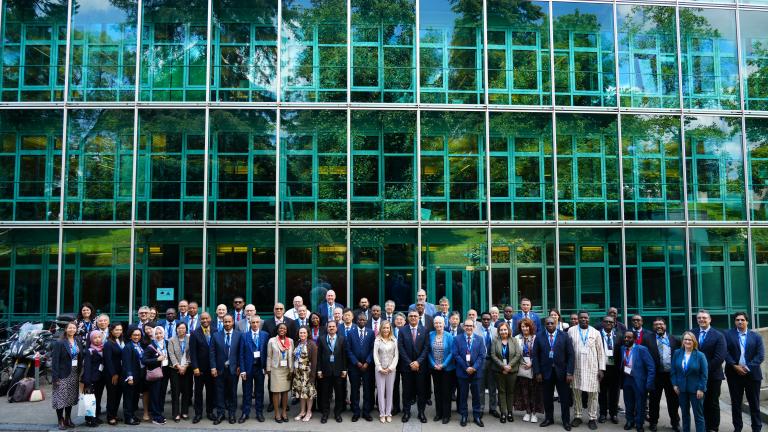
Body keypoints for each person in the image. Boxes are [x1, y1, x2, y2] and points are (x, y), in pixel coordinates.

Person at [724, 312, 765, 432]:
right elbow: (725, 352)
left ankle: (756, 428)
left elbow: (760, 355)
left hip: (752, 375)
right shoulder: (728, 335)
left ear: (747, 321)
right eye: (737, 320)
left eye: (742, 320)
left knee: (754, 403)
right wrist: (734, 366)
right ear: (735, 322)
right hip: (734, 374)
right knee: (736, 404)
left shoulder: (756, 336)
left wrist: (747, 367)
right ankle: (738, 427)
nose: (740, 322)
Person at [534, 317, 575, 430]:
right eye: (548, 323)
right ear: (545, 325)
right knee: (547, 397)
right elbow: (535, 356)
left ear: (556, 324)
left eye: (552, 323)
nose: (550, 325)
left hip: (562, 373)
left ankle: (566, 421)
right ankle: (549, 418)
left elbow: (571, 355)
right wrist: (537, 372)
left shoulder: (564, 336)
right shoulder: (539, 336)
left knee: (565, 398)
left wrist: (569, 372)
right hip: (545, 372)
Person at [690, 310, 726, 432]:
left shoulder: (718, 335)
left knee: (713, 402)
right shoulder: (691, 333)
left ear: (710, 319)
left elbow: (719, 357)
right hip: (695, 376)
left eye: (704, 318)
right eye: (699, 318)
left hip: (713, 375)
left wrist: (703, 370)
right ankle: (702, 426)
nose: (702, 320)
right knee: (699, 402)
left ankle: (713, 427)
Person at [567, 311, 604, 430]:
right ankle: (578, 416)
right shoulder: (571, 331)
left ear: (589, 318)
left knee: (593, 394)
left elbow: (601, 352)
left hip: (592, 368)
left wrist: (601, 369)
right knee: (576, 393)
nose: (584, 319)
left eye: (586, 318)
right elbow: (568, 350)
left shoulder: (595, 332)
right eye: (581, 318)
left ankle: (592, 418)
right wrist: (568, 369)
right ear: (577, 319)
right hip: (576, 368)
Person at [647, 318, 681, 432]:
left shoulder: (674, 339)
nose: (659, 326)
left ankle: (675, 423)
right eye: (656, 324)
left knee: (673, 401)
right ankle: (653, 422)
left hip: (671, 376)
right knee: (654, 401)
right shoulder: (647, 339)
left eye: (661, 324)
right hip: (656, 375)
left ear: (665, 326)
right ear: (653, 327)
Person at [671, 331, 708, 432]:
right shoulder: (677, 353)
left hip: (696, 390)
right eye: (685, 339)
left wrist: (701, 388)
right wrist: (674, 384)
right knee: (684, 414)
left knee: (698, 415)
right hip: (681, 389)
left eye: (689, 339)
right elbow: (673, 371)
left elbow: (704, 374)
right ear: (682, 341)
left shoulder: (700, 355)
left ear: (694, 341)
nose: (687, 341)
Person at [454, 318, 486, 427]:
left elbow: (482, 356)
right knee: (463, 395)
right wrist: (466, 367)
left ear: (474, 327)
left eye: (470, 326)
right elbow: (456, 355)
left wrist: (474, 367)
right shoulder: (457, 339)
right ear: (463, 327)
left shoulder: (480, 339)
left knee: (476, 395)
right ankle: (464, 415)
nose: (468, 328)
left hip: (476, 373)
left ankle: (476, 416)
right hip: (462, 372)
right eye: (466, 326)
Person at [621, 330, 655, 432]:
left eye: (629, 337)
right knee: (628, 402)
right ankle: (629, 421)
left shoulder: (642, 349)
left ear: (635, 339)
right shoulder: (622, 348)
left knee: (640, 403)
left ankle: (639, 423)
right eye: (625, 337)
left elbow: (651, 367)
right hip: (627, 379)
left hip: (639, 381)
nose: (626, 339)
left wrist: (649, 383)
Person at [398, 309, 429, 423]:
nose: (413, 318)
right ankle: (406, 412)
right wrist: (410, 362)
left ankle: (421, 412)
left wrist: (418, 362)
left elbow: (426, 348)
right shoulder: (402, 330)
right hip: (407, 367)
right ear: (407, 318)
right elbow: (400, 347)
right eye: (411, 316)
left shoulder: (424, 330)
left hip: (420, 367)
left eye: (415, 316)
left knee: (421, 391)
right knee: (406, 391)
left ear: (418, 318)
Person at [239, 315, 269, 423]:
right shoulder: (244, 336)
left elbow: (267, 353)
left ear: (260, 323)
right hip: (248, 368)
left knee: (259, 391)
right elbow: (241, 354)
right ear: (250, 323)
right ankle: (245, 413)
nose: (255, 324)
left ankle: (259, 412)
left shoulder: (265, 335)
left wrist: (266, 367)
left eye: (257, 322)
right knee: (246, 391)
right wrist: (242, 370)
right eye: (253, 322)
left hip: (260, 368)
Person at [210, 315, 240, 425]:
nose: (227, 324)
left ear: (233, 322)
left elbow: (240, 353)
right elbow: (212, 352)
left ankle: (232, 414)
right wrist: (213, 367)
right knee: (219, 392)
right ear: (222, 322)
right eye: (225, 321)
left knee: (232, 392)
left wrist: (239, 366)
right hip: (219, 369)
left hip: (233, 369)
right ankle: (220, 413)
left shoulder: (238, 335)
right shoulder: (216, 335)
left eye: (229, 322)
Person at [51, 321, 81, 430]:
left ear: (76, 330)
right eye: (70, 328)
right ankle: (60, 420)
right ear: (66, 329)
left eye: (74, 328)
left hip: (74, 372)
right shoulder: (60, 342)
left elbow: (80, 356)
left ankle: (68, 418)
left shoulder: (78, 341)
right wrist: (55, 377)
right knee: (60, 398)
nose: (72, 330)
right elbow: (55, 361)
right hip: (62, 374)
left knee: (71, 397)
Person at [317, 320, 347, 423]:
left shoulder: (342, 339)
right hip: (325, 371)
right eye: (329, 326)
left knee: (339, 394)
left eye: (333, 326)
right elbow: (319, 356)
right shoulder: (321, 339)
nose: (331, 328)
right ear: (327, 328)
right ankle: (325, 414)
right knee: (325, 394)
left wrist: (344, 369)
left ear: (336, 328)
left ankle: (337, 413)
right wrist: (319, 370)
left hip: (338, 371)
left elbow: (344, 356)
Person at [491, 321, 521, 424]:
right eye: (501, 330)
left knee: (511, 392)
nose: (503, 331)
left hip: (512, 370)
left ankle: (510, 412)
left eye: (505, 329)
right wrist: (503, 366)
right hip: (499, 370)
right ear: (498, 331)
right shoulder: (495, 340)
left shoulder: (514, 340)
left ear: (508, 330)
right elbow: (493, 355)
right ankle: (503, 412)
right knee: (502, 391)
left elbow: (518, 354)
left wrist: (509, 366)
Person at [347, 312, 375, 421]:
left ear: (366, 321)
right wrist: (357, 362)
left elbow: (373, 349)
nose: (362, 321)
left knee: (368, 389)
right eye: (360, 320)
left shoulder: (371, 333)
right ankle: (356, 411)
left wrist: (367, 362)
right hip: (355, 367)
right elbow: (348, 350)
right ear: (356, 321)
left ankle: (366, 411)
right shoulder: (350, 333)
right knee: (355, 389)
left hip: (368, 367)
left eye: (364, 320)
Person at [189, 312, 216, 423]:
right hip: (199, 369)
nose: (205, 320)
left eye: (207, 318)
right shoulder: (195, 333)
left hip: (212, 369)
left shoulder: (216, 331)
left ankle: (210, 412)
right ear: (200, 320)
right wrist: (195, 367)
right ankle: (198, 414)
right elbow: (193, 352)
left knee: (211, 392)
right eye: (202, 319)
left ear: (210, 319)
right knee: (198, 392)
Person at [514, 317, 543, 423]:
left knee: (534, 391)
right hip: (521, 367)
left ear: (530, 327)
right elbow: (515, 353)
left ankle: (534, 413)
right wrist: (522, 363)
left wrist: (532, 362)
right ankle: (527, 412)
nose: (524, 328)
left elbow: (540, 353)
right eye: (522, 326)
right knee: (524, 391)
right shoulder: (517, 338)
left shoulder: (536, 338)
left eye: (526, 326)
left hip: (534, 367)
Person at [428, 315, 455, 424]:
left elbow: (452, 352)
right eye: (436, 323)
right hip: (434, 368)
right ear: (434, 324)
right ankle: (438, 413)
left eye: (440, 323)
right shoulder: (430, 335)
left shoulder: (449, 336)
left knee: (446, 392)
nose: (438, 325)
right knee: (437, 391)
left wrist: (443, 364)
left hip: (447, 369)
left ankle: (446, 415)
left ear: (444, 324)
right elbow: (428, 351)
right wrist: (434, 364)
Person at [267, 322, 294, 423]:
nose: (282, 330)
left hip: (286, 369)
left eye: (284, 328)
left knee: (285, 391)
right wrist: (268, 369)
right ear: (277, 330)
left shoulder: (290, 341)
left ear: (287, 330)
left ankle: (284, 412)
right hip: (275, 369)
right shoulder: (272, 341)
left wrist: (292, 370)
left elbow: (291, 356)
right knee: (276, 391)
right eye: (280, 328)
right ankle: (277, 413)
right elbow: (269, 356)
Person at [475, 311, 499, 418]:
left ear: (491, 320)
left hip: (493, 362)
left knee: (492, 387)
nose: (486, 321)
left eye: (488, 319)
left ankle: (493, 408)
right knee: (480, 387)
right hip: (481, 362)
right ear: (481, 320)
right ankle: (480, 408)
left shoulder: (496, 331)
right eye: (484, 319)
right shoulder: (475, 331)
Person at [374, 320, 399, 423]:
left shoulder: (394, 340)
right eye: (384, 328)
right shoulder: (377, 340)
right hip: (380, 370)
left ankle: (388, 413)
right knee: (380, 392)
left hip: (391, 370)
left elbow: (396, 355)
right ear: (381, 329)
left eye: (387, 328)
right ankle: (382, 413)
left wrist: (391, 368)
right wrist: (379, 368)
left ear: (390, 329)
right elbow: (375, 354)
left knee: (389, 391)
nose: (386, 329)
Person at [598, 315, 621, 424]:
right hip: (602, 368)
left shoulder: (619, 335)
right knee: (602, 392)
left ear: (614, 323)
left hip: (615, 369)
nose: (608, 323)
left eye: (611, 322)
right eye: (606, 321)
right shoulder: (597, 335)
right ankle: (603, 413)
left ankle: (613, 414)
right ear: (603, 323)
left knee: (614, 393)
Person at [291, 327, 318, 422]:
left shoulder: (312, 344)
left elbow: (314, 362)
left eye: (304, 333)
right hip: (298, 373)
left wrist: (312, 376)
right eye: (300, 332)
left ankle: (309, 412)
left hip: (308, 373)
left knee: (308, 394)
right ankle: (302, 411)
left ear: (307, 334)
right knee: (301, 393)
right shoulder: (297, 343)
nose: (302, 334)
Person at [144, 326, 169, 425]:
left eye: (160, 333)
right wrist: (156, 360)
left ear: (163, 334)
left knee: (162, 394)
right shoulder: (151, 346)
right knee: (155, 394)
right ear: (154, 335)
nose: (159, 335)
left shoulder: (167, 343)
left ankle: (159, 413)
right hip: (156, 373)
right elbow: (144, 360)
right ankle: (155, 417)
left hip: (165, 372)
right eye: (156, 333)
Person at [168, 321, 192, 422]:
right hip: (175, 369)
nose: (181, 330)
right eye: (179, 328)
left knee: (186, 391)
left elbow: (192, 353)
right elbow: (171, 354)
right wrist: (178, 366)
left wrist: (185, 366)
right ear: (176, 329)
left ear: (186, 329)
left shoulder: (190, 338)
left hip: (188, 369)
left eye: (183, 328)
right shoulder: (171, 340)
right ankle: (175, 413)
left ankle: (185, 412)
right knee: (175, 392)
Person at [121, 327, 145, 426]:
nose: (136, 337)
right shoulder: (128, 347)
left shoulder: (139, 345)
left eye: (138, 335)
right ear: (130, 335)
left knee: (134, 397)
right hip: (130, 377)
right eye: (134, 335)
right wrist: (129, 377)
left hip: (138, 375)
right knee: (128, 398)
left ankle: (132, 415)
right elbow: (126, 363)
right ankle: (128, 418)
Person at [82, 331, 106, 427]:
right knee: (90, 400)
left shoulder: (103, 349)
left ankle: (95, 416)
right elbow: (87, 367)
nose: (97, 339)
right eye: (95, 338)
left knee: (98, 398)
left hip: (100, 378)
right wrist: (87, 382)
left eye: (99, 337)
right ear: (91, 339)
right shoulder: (89, 351)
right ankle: (89, 419)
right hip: (91, 379)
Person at [103, 323, 124, 426]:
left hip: (120, 372)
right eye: (116, 330)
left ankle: (114, 414)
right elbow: (108, 360)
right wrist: (113, 374)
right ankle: (110, 416)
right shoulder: (108, 343)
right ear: (111, 331)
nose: (119, 332)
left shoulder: (120, 341)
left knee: (118, 395)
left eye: (120, 330)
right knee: (112, 395)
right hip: (112, 374)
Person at [391, 312, 406, 415]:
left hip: (405, 363)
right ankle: (396, 407)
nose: (399, 321)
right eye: (397, 320)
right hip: (393, 363)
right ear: (394, 321)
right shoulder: (390, 331)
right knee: (394, 386)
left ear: (405, 322)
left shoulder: (407, 331)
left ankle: (406, 408)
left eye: (401, 320)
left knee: (406, 387)